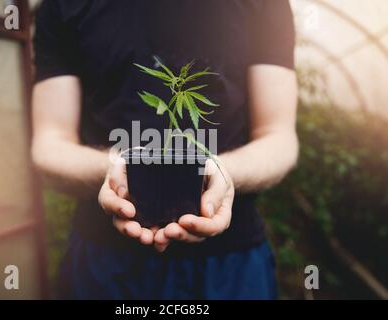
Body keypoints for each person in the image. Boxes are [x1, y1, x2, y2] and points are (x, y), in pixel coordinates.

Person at [32, 0, 298, 299]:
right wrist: (119, 167)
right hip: (105, 265)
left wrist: (221, 172)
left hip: (229, 264)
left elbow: (278, 136)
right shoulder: (63, 6)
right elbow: (49, 143)